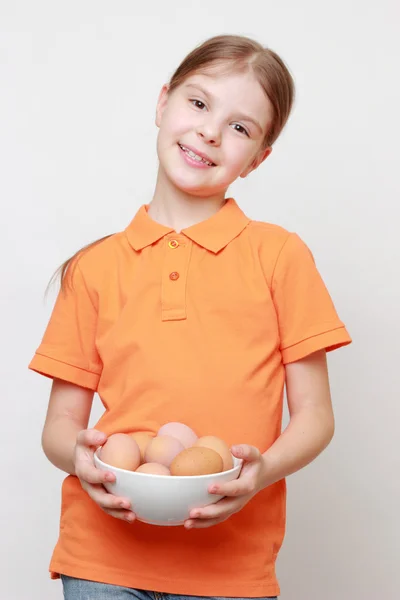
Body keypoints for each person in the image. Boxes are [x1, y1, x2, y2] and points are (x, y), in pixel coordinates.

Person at [29, 34, 352, 600]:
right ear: (162, 103)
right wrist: (82, 462)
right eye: (199, 104)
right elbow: (60, 426)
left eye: (240, 127)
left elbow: (316, 416)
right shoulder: (93, 268)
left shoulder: (279, 256)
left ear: (259, 159)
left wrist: (262, 471)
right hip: (102, 556)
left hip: (231, 568)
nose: (209, 131)